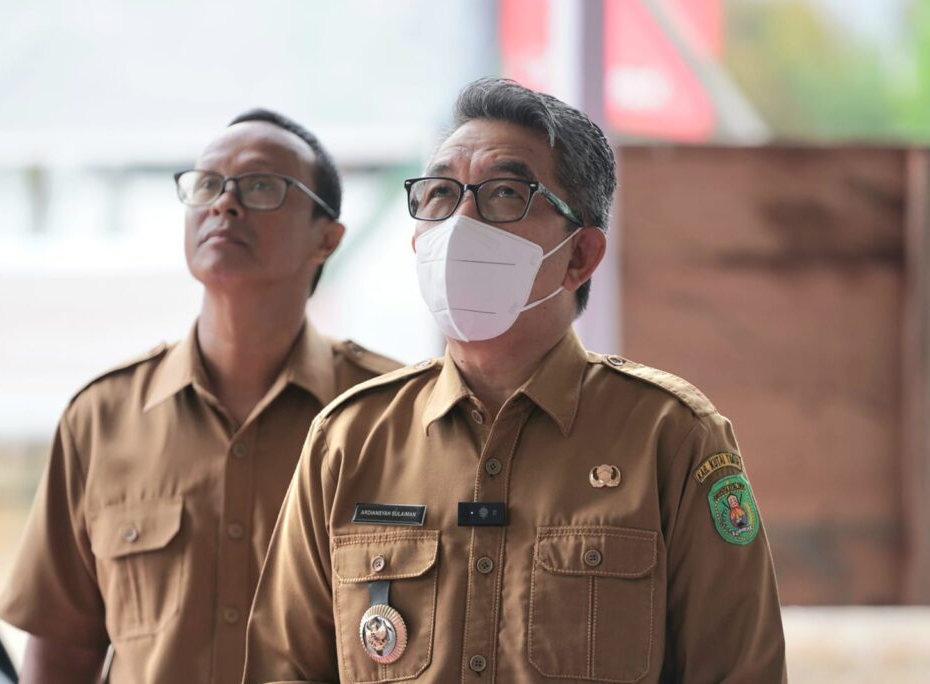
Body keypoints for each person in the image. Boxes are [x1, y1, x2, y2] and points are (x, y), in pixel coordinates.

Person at [243, 79, 786, 683]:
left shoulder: (672, 437)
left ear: (579, 256)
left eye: (504, 193)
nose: (461, 221)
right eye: (440, 193)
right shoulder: (348, 440)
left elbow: (740, 671)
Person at [0, 109, 400, 684]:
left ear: (326, 238)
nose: (225, 203)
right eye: (208, 184)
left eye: (262, 186)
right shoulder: (103, 417)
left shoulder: (389, 414)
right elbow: (59, 656)